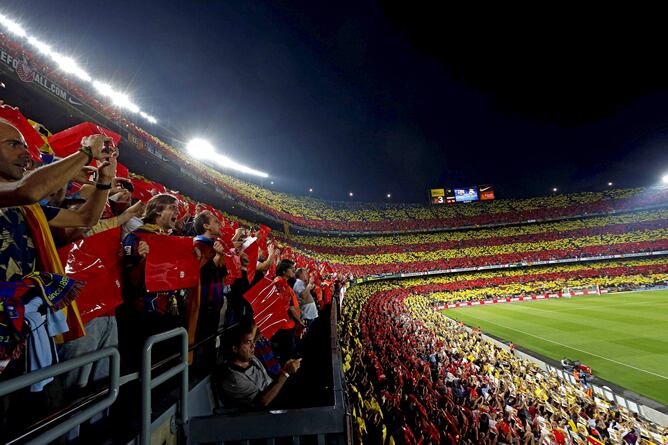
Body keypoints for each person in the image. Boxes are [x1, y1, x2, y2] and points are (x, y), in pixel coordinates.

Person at [217, 322, 300, 409]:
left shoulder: (248, 358)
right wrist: (285, 373)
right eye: (249, 343)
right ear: (235, 348)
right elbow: (262, 402)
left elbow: (253, 338)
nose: (253, 346)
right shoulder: (235, 378)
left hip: (276, 391)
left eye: (253, 342)